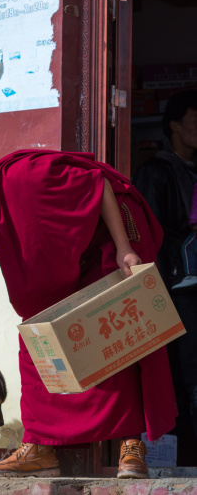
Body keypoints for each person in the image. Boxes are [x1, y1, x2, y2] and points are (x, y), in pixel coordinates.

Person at [0, 149, 177, 478]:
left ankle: (131, 447)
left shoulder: (25, 180)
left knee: (115, 336)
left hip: (101, 244)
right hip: (60, 266)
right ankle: (39, 449)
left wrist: (123, 248)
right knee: (37, 342)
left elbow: (98, 183)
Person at [134, 90, 197, 456]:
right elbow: (148, 235)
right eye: (194, 122)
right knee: (185, 374)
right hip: (178, 287)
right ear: (174, 126)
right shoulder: (155, 172)